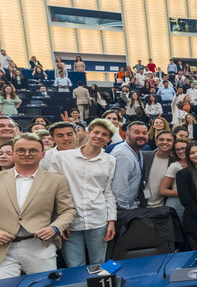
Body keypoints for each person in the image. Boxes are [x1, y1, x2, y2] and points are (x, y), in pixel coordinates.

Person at [0, 133, 76, 278]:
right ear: (13, 154)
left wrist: (55, 228)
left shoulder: (56, 181)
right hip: (3, 249)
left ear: (42, 154)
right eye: (21, 150)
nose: (27, 154)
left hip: (40, 247)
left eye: (33, 150)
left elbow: (68, 210)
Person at [49, 119, 117, 268]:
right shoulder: (62, 158)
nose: (99, 136)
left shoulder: (110, 160)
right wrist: (59, 220)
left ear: (109, 139)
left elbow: (107, 192)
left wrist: (111, 220)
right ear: (87, 133)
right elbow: (54, 192)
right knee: (74, 266)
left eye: (104, 134)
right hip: (70, 222)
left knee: (98, 264)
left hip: (98, 219)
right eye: (96, 132)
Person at [111, 121, 149, 210]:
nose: (141, 135)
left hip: (132, 205)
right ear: (126, 135)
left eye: (144, 133)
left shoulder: (137, 150)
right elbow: (119, 189)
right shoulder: (123, 155)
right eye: (136, 132)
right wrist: (125, 212)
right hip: (123, 210)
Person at [142, 130, 174, 208]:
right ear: (156, 142)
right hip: (142, 205)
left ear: (173, 144)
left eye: (169, 140)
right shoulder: (144, 156)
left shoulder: (174, 163)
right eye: (161, 139)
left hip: (163, 207)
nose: (165, 142)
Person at [159, 137, 188, 218]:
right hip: (176, 203)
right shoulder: (174, 166)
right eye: (177, 149)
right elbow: (162, 191)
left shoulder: (195, 164)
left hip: (189, 203)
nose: (181, 151)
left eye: (183, 148)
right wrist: (186, 193)